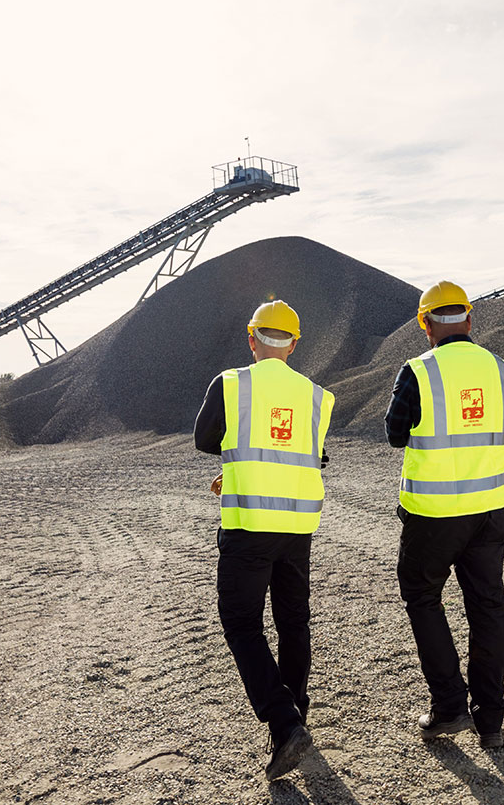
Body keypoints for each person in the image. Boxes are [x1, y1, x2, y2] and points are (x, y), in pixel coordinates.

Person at [192, 299, 335, 781]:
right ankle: (293, 721)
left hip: (250, 523)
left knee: (241, 623)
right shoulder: (316, 396)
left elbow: (205, 439)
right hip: (297, 527)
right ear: (294, 345)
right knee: (293, 622)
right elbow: (311, 453)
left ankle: (284, 722)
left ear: (252, 340)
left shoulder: (231, 384)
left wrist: (239, 462)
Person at [382, 281, 504, 750]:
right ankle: (491, 721)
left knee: (422, 596)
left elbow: (395, 434)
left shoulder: (418, 371)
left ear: (425, 324)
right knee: (487, 606)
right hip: (491, 508)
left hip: (434, 512)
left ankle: (449, 706)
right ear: (469, 319)